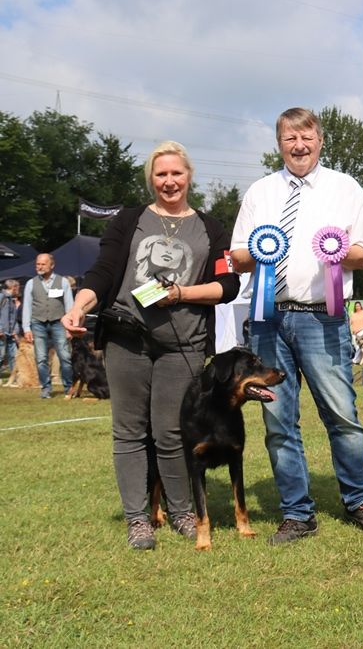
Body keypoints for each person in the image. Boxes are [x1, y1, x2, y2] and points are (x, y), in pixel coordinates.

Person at [61, 141, 240, 550]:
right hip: (127, 339)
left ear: (189, 176)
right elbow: (104, 272)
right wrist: (79, 305)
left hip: (184, 344)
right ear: (151, 179)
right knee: (129, 432)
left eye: (176, 173)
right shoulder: (128, 221)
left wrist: (180, 294)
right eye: (161, 174)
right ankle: (137, 518)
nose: (169, 181)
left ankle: (180, 511)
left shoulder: (212, 228)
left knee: (172, 432)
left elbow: (228, 286)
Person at [231, 107, 363, 545]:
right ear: (279, 143)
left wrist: (336, 252)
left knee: (341, 415)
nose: (298, 145)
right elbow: (238, 256)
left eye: (306, 137)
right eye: (289, 138)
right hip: (268, 319)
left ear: (320, 141)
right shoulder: (260, 192)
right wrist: (257, 253)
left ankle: (359, 501)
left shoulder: (345, 188)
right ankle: (297, 513)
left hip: (324, 316)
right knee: (278, 421)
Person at [22, 253, 74, 398]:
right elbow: (27, 306)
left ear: (52, 265)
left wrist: (70, 327)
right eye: (37, 264)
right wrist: (26, 328)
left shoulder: (63, 282)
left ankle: (69, 387)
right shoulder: (31, 283)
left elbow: (70, 305)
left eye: (43, 264)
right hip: (38, 323)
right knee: (41, 358)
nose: (39, 266)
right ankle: (45, 388)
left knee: (65, 356)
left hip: (59, 322)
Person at [0, 280, 21, 376]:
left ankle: (15, 377)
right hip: (2, 333)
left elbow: (14, 318)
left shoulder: (11, 300)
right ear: (14, 287)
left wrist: (15, 331)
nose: (18, 290)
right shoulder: (2, 297)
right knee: (1, 356)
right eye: (18, 288)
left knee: (14, 356)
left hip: (10, 333)